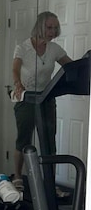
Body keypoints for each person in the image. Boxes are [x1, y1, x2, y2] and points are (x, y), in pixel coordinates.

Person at [11, 11, 71, 189]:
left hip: (46, 97)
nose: (52, 31)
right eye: (49, 27)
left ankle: (50, 182)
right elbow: (15, 69)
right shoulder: (22, 48)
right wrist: (17, 83)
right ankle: (18, 176)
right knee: (24, 139)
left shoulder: (55, 49)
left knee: (49, 140)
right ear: (40, 26)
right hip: (26, 97)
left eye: (55, 28)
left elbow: (71, 66)